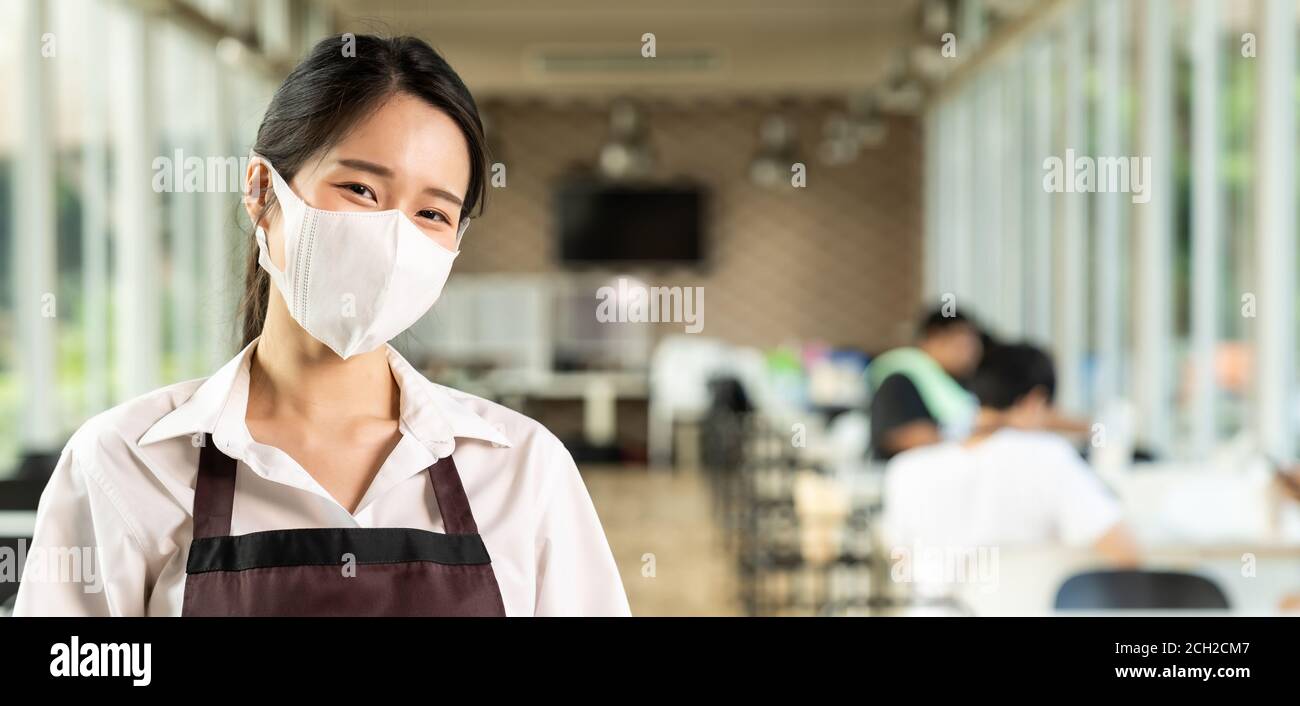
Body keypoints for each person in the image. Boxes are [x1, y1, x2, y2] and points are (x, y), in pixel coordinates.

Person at [14, 35, 631, 617]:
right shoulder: (126, 463)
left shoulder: (523, 469)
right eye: (360, 188)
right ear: (262, 189)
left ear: (455, 243)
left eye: (432, 212)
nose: (394, 237)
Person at [882, 342, 1141, 567]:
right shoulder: (1047, 457)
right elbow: (1127, 553)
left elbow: (902, 562)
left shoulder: (906, 469)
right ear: (1035, 401)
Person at [868, 308, 984, 460]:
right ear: (932, 338)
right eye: (961, 343)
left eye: (973, 341)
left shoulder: (969, 381)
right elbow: (901, 437)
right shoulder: (901, 380)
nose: (972, 350)